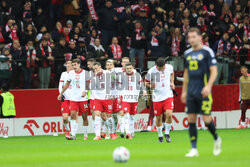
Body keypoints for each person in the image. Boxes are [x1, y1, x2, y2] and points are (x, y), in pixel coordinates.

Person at [181, 28, 221, 157]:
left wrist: (209, 86)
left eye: (193, 37)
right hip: (191, 92)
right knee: (191, 120)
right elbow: (186, 73)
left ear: (200, 38)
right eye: (189, 37)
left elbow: (214, 71)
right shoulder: (187, 53)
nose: (191, 39)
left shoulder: (207, 52)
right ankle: (194, 149)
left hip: (204, 91)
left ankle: (216, 138)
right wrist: (183, 91)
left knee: (206, 119)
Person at [57, 59, 90, 140]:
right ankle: (73, 135)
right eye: (73, 65)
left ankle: (85, 134)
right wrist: (61, 93)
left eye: (75, 65)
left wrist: (85, 91)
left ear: (79, 64)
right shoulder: (71, 73)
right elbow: (67, 84)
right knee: (72, 115)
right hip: (73, 98)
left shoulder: (86, 73)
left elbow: (89, 84)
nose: (74, 66)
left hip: (83, 98)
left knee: (84, 117)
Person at [145, 57, 175, 143]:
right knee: (158, 117)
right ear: (156, 66)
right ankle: (160, 136)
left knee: (169, 114)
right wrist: (151, 86)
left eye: (163, 67)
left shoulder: (169, 67)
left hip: (168, 95)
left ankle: (167, 133)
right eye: (160, 68)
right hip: (157, 98)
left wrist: (172, 82)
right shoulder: (151, 71)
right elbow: (146, 82)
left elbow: (172, 74)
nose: (162, 69)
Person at [119, 63, 146, 139]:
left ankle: (132, 131)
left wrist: (144, 91)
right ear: (125, 69)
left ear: (132, 68)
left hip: (134, 99)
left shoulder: (137, 75)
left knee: (132, 116)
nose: (129, 70)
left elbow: (141, 84)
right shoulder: (122, 76)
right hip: (125, 99)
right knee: (126, 115)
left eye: (130, 68)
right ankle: (127, 133)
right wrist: (119, 98)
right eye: (127, 69)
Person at [92, 62, 114, 140]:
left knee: (108, 117)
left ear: (100, 67)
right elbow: (93, 89)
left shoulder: (107, 73)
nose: (95, 70)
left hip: (107, 99)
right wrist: (95, 97)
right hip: (98, 99)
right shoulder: (94, 77)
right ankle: (97, 135)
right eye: (94, 69)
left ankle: (111, 133)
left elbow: (115, 81)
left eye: (96, 68)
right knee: (97, 115)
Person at [58, 61, 73, 139]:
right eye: (67, 66)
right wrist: (61, 94)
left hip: (74, 99)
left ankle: (73, 133)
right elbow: (60, 85)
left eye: (69, 66)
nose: (67, 67)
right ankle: (67, 131)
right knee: (65, 117)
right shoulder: (63, 74)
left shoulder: (75, 74)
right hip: (66, 99)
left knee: (74, 117)